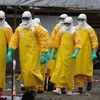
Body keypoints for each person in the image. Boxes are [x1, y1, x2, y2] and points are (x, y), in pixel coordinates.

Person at [6, 11, 48, 100]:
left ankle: (36, 85)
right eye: (23, 18)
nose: (25, 20)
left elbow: (43, 40)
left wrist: (44, 53)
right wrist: (10, 50)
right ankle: (30, 90)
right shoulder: (19, 28)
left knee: (31, 71)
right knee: (25, 73)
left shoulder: (36, 28)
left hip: (34, 54)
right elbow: (14, 40)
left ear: (30, 18)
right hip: (23, 55)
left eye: (26, 18)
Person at [50, 17, 81, 95]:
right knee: (59, 70)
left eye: (68, 24)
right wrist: (54, 52)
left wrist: (76, 51)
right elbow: (57, 42)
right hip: (61, 54)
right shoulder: (61, 31)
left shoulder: (74, 32)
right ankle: (58, 87)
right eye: (65, 23)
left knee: (68, 72)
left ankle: (70, 88)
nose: (66, 25)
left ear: (71, 23)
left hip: (70, 56)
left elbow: (78, 42)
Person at [74, 13, 98, 94]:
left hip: (87, 53)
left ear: (85, 20)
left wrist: (94, 52)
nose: (80, 21)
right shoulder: (75, 29)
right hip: (77, 53)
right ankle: (80, 88)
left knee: (88, 69)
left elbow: (94, 41)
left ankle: (89, 82)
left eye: (82, 20)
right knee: (78, 71)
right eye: (79, 19)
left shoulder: (89, 29)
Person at [0, 10, 13, 96]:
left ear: (4, 18)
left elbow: (11, 41)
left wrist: (10, 52)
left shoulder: (7, 28)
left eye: (0, 19)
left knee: (0, 70)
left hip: (1, 53)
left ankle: (0, 89)